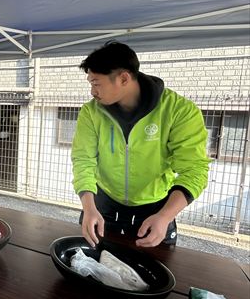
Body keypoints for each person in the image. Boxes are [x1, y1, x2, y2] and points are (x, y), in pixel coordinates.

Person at [71, 40, 209, 250]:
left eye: (96, 83)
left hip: (156, 209)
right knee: (95, 261)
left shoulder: (179, 111)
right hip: (103, 204)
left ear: (123, 78)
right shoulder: (91, 112)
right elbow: (83, 160)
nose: (92, 91)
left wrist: (165, 216)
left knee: (154, 266)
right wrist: (89, 207)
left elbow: (194, 170)